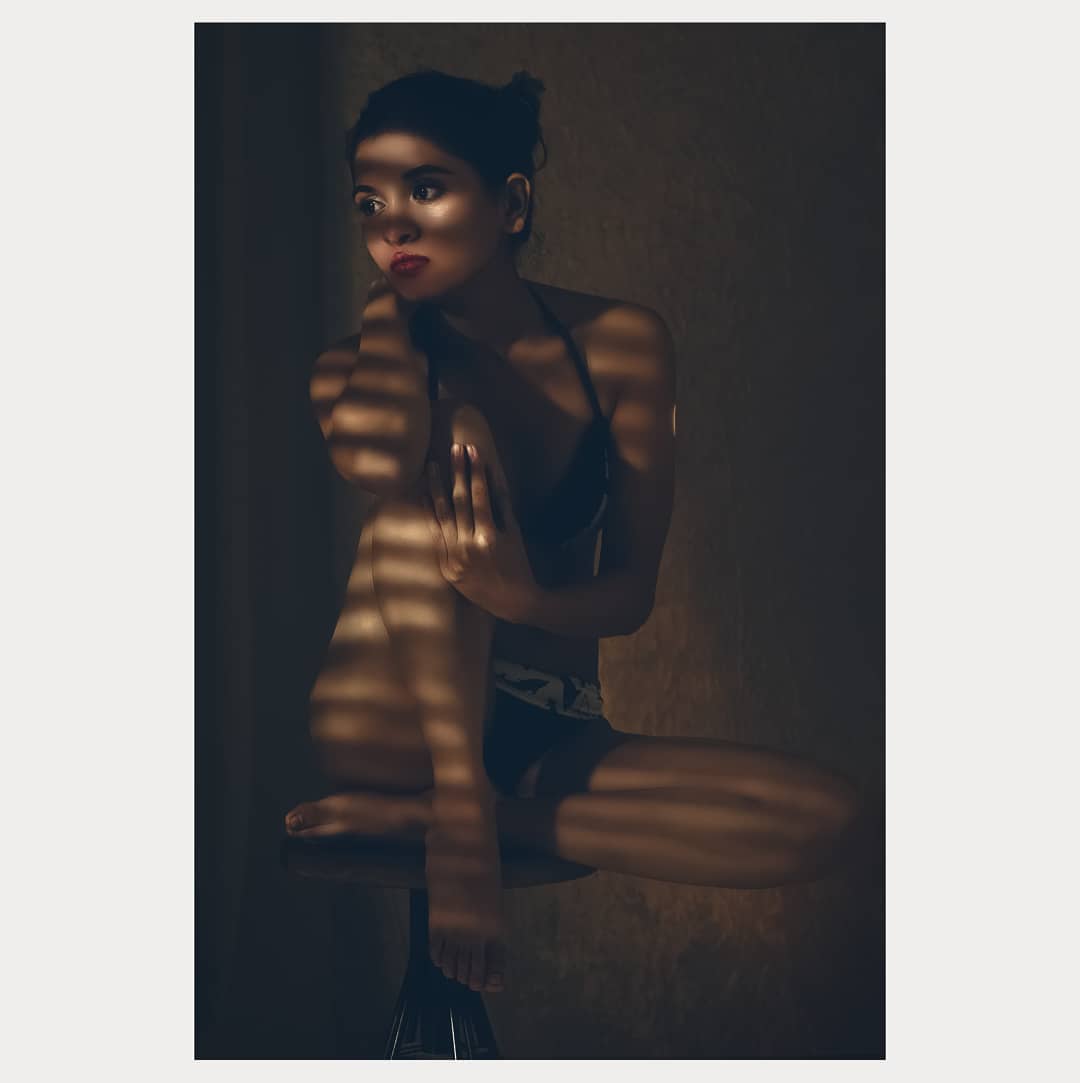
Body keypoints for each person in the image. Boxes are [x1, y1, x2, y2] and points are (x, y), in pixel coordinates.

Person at [285, 68, 872, 997]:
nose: (393, 226)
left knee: (828, 817)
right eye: (370, 203)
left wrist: (523, 598)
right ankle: (459, 803)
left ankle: (456, 819)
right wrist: (388, 315)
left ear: (511, 203)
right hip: (395, 723)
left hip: (551, 725)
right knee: (452, 430)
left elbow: (629, 593)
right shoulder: (350, 372)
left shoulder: (624, 345)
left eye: (426, 190)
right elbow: (383, 459)